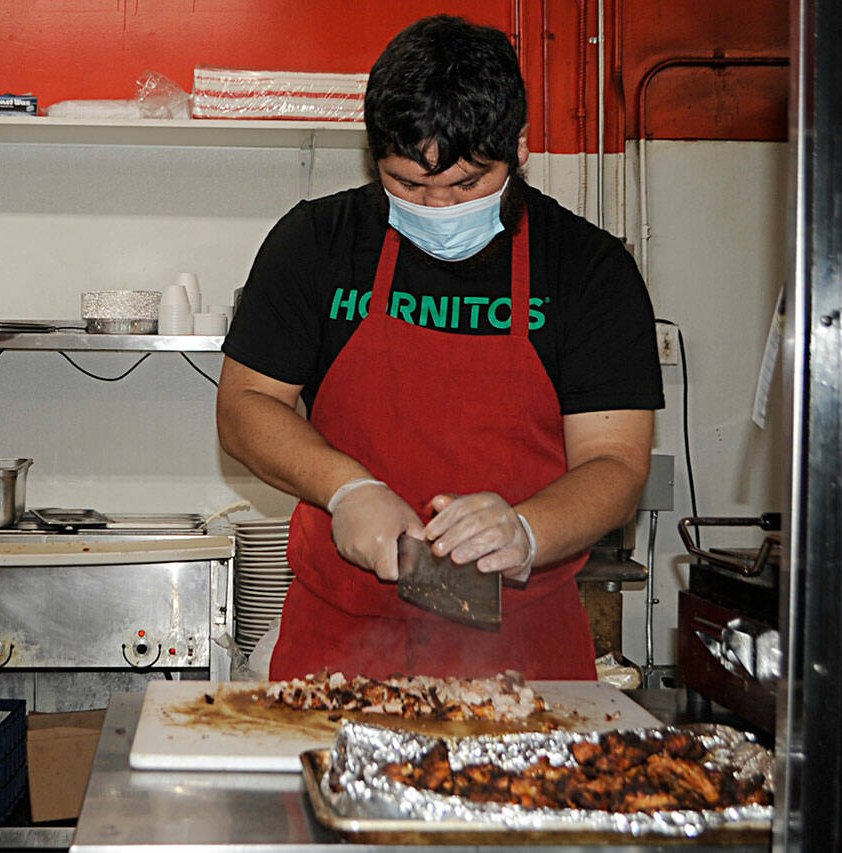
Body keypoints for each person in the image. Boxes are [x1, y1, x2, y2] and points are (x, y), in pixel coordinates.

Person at [216, 15, 663, 682]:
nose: (437, 206)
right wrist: (346, 489)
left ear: (520, 145)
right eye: (408, 184)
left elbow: (616, 463)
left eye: (467, 185)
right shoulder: (317, 243)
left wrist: (527, 530)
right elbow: (245, 405)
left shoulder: (588, 270)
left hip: (525, 656)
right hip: (337, 650)